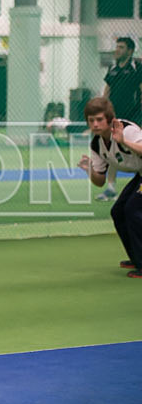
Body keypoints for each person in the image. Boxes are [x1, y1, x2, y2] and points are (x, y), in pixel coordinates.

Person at [77, 97, 142, 278]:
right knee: (118, 211)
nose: (95, 124)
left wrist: (123, 141)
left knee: (133, 209)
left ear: (109, 119)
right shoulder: (97, 144)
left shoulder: (127, 130)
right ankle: (137, 257)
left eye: (99, 119)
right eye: (91, 120)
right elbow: (100, 181)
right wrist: (89, 168)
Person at [98, 37, 142, 201]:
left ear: (130, 51)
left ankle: (139, 185)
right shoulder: (113, 69)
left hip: (134, 117)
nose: (117, 50)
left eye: (121, 47)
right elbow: (107, 91)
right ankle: (110, 188)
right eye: (117, 46)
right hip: (115, 117)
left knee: (136, 150)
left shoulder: (137, 68)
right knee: (111, 150)